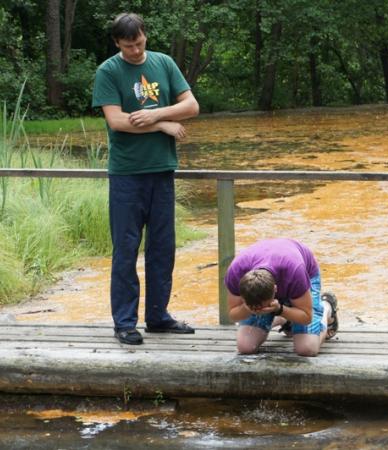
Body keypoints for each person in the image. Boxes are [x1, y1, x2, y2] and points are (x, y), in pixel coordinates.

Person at [92, 13, 199, 345]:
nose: (136, 51)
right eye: (128, 46)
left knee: (162, 249)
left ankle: (158, 317)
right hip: (127, 174)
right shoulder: (108, 72)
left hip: (162, 171)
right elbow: (118, 121)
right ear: (117, 44)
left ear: (145, 36)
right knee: (126, 249)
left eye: (139, 43)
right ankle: (125, 322)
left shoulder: (164, 63)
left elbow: (192, 106)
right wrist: (163, 125)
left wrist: (156, 113)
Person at [225, 238, 338, 356]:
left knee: (307, 349)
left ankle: (326, 307)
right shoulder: (235, 273)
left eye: (263, 307)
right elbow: (232, 315)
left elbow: (306, 317)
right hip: (276, 274)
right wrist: (246, 308)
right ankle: (286, 319)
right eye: (255, 308)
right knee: (246, 347)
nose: (258, 310)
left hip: (303, 274)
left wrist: (279, 309)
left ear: (275, 290)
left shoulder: (295, 272)